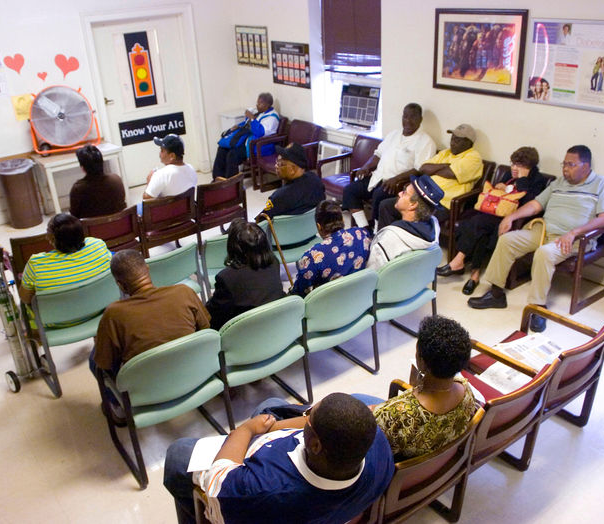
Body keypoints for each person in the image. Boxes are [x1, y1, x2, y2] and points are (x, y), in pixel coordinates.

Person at [163, 393, 395, 524]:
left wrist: (246, 430)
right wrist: (273, 427)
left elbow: (219, 479)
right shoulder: (377, 444)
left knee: (178, 454)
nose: (305, 417)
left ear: (315, 445)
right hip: (332, 509)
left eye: (308, 417)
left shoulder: (257, 491)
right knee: (270, 404)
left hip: (259, 482)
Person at [468, 145, 604, 332]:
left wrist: (573, 233)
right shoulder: (559, 183)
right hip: (543, 230)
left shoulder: (603, 184)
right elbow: (535, 204)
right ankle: (497, 294)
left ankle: (538, 307)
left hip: (573, 238)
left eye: (571, 165)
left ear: (586, 166)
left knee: (544, 253)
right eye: (564, 164)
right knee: (507, 240)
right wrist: (511, 217)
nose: (565, 168)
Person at [437, 147, 550, 295]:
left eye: (520, 166)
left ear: (530, 167)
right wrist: (500, 187)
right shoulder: (509, 174)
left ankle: (459, 261)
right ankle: (474, 276)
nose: (515, 168)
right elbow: (496, 195)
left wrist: (522, 181)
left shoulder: (538, 180)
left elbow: (531, 203)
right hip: (493, 214)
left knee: (478, 222)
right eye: (514, 164)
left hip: (514, 219)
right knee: (481, 231)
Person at [91, 248, 210, 380]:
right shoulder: (184, 292)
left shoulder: (113, 314)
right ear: (147, 269)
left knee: (94, 359)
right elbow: (206, 330)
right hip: (193, 376)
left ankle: (117, 400)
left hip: (148, 389)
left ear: (120, 284)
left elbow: (104, 363)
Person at [373, 315, 476, 459]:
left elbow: (376, 448)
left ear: (421, 362)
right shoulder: (467, 392)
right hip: (435, 466)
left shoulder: (395, 415)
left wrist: (373, 411)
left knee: (356, 399)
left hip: (402, 474)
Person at [341, 104, 436, 229]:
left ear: (420, 119)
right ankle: (363, 228)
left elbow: (419, 169)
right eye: (405, 117)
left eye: (413, 117)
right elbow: (378, 154)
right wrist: (366, 166)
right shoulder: (394, 134)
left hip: (398, 184)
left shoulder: (426, 141)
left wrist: (396, 179)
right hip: (378, 177)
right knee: (350, 190)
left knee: (379, 195)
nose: (408, 121)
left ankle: (376, 230)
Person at [377, 124, 482, 230]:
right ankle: (386, 238)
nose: (452, 143)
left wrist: (438, 169)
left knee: (412, 216)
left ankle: (406, 242)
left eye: (457, 140)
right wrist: (446, 165)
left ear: (468, 143)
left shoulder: (473, 157)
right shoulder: (445, 153)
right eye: (452, 139)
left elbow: (450, 173)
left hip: (441, 203)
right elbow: (424, 168)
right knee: (386, 205)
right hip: (421, 196)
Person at [18, 214, 112, 328]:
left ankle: (35, 340)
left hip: (59, 323)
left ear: (52, 237)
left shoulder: (36, 264)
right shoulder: (98, 246)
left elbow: (25, 298)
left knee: (24, 310)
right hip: (101, 311)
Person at [205, 220, 284, 330]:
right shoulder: (274, 262)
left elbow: (214, 317)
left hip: (246, 336)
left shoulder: (227, 278)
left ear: (234, 248)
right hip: (279, 327)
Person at [290, 200, 371, 296]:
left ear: (319, 226)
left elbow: (300, 293)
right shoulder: (362, 234)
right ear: (342, 219)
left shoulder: (312, 257)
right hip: (359, 297)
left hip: (329, 307)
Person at [366, 174, 443, 271]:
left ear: (413, 205)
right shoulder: (434, 229)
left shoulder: (389, 238)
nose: (399, 193)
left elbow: (371, 274)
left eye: (405, 193)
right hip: (418, 283)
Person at [213, 93, 280, 180]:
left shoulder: (272, 117)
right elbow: (247, 125)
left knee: (232, 154)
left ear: (267, 105)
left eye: (260, 103)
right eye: (257, 102)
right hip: (247, 141)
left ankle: (229, 184)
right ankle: (217, 179)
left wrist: (252, 118)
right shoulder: (259, 112)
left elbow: (260, 132)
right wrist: (238, 125)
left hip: (258, 146)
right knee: (222, 148)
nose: (257, 105)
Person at [256, 142, 325, 221]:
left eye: (280, 164)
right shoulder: (316, 181)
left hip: (284, 232)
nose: (276, 166)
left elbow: (261, 221)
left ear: (292, 169)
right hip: (311, 230)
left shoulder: (279, 197)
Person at [69, 145, 127, 219]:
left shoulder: (77, 189)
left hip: (92, 230)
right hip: (121, 227)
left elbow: (74, 216)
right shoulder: (116, 180)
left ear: (82, 168)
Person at [143, 134, 198, 205]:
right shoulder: (191, 169)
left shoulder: (160, 175)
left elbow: (147, 200)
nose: (159, 153)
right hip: (186, 213)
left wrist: (149, 182)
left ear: (172, 156)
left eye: (162, 150)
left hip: (167, 214)